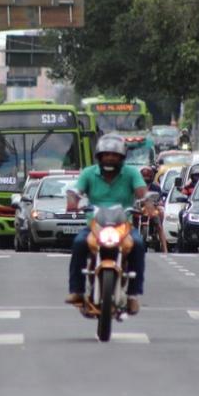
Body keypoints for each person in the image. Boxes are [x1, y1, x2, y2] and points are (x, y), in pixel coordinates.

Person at [65, 134, 154, 315]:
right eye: (106, 155)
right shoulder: (89, 173)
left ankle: (133, 295)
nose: (110, 158)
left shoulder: (131, 173)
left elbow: (142, 193)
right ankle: (77, 291)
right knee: (79, 243)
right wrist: (72, 201)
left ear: (122, 157)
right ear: (99, 156)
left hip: (123, 225)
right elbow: (76, 190)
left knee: (137, 245)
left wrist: (148, 205)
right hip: (95, 225)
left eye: (114, 155)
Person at [139, 167, 168, 254]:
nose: (146, 178)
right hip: (140, 210)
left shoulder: (156, 187)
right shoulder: (137, 187)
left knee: (159, 226)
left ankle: (165, 249)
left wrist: (159, 204)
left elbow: (160, 200)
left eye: (148, 176)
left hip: (152, 210)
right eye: (144, 176)